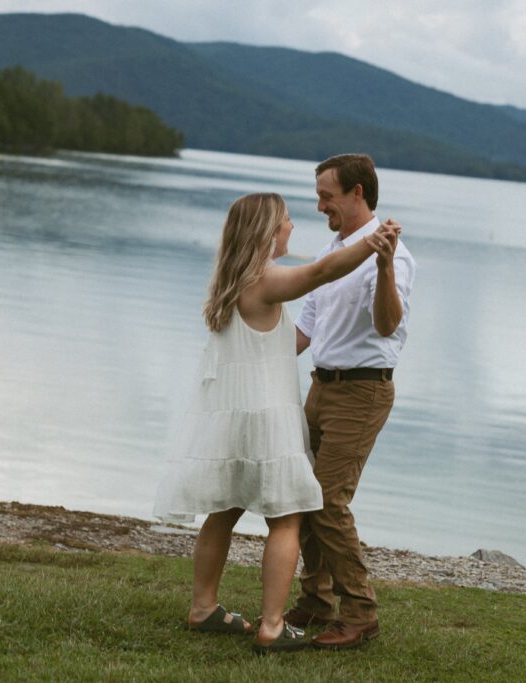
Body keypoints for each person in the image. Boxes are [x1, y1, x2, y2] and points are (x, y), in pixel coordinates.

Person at [152, 192, 400, 654]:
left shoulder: (229, 281)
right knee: (286, 519)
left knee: (223, 513)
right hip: (266, 420)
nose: (291, 229)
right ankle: (271, 626)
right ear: (268, 232)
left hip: (229, 419)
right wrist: (373, 244)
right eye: (286, 222)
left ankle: (204, 607)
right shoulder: (264, 280)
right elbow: (322, 272)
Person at [285, 154, 416, 649]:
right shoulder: (333, 250)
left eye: (327, 196)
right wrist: (246, 359)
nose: (320, 206)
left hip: (362, 390)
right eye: (319, 196)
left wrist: (382, 266)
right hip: (322, 387)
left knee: (327, 499)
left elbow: (387, 324)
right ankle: (317, 602)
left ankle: (360, 612)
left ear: (357, 193)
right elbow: (304, 329)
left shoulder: (395, 256)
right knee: (303, 494)